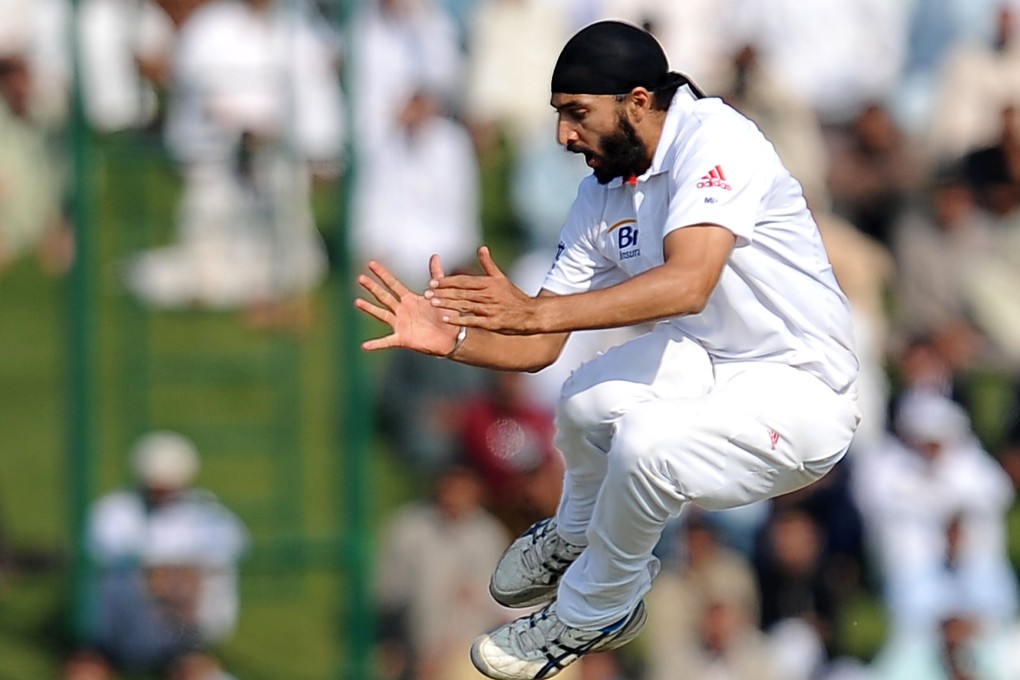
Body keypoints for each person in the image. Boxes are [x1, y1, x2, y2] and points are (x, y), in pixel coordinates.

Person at [355, 20, 860, 680]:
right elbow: (541, 346)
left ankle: (597, 608)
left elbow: (689, 282)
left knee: (644, 442)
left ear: (639, 102)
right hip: (711, 368)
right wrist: (450, 338)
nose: (564, 135)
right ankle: (573, 536)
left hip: (804, 394)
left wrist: (538, 311)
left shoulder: (718, 137)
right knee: (587, 398)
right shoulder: (601, 192)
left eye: (576, 114)